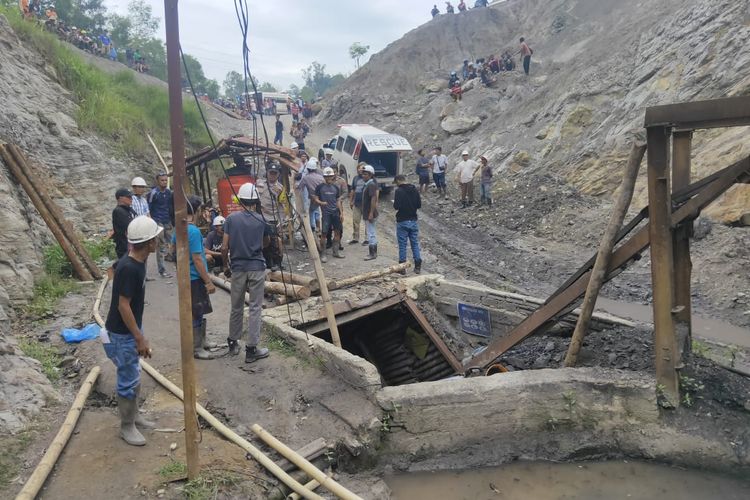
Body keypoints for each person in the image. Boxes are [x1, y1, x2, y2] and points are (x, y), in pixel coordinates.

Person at [103, 216, 161, 446]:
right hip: (121, 334)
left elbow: (112, 269)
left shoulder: (134, 262)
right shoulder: (130, 268)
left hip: (127, 330)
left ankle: (134, 416)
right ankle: (126, 427)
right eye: (155, 238)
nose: (158, 240)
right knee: (128, 379)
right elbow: (122, 305)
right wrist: (139, 337)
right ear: (149, 243)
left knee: (134, 373)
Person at [222, 183, 271, 363]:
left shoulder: (230, 219)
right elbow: (266, 243)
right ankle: (251, 349)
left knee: (236, 306)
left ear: (240, 200)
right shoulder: (261, 220)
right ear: (256, 200)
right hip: (256, 267)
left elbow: (224, 246)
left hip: (237, 268)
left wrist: (226, 266)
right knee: (255, 308)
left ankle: (233, 342)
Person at [172, 196, 217, 360]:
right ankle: (197, 347)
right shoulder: (194, 231)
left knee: (197, 311)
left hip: (185, 277)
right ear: (197, 210)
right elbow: (197, 259)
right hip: (195, 278)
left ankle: (202, 342)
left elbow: (172, 251)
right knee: (196, 313)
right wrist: (208, 281)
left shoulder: (178, 229)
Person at [255, 164, 285, 271]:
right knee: (263, 241)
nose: (272, 175)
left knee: (274, 241)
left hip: (272, 217)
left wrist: (281, 221)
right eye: (270, 172)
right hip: (260, 217)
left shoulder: (280, 188)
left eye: (274, 173)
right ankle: (267, 262)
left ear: (278, 174)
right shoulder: (259, 184)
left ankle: (277, 262)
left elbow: (282, 206)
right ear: (267, 172)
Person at [312, 167, 345, 262]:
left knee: (338, 232)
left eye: (330, 176)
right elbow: (315, 198)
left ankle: (336, 252)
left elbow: (338, 200)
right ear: (324, 177)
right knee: (324, 233)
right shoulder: (320, 187)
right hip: (326, 213)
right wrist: (321, 203)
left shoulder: (336, 187)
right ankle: (323, 254)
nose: (329, 178)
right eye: (327, 176)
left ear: (333, 176)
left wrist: (341, 213)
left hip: (336, 213)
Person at [393, 175, 422, 274]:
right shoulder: (415, 189)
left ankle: (402, 268)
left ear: (398, 181)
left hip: (402, 221)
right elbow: (419, 205)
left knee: (402, 245)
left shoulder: (398, 191)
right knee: (414, 244)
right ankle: (417, 266)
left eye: (396, 183)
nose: (396, 185)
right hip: (413, 220)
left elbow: (396, 206)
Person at [148, 173, 174, 277]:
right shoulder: (154, 193)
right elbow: (148, 208)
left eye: (165, 180)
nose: (164, 182)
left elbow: (170, 206)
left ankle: (170, 261)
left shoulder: (168, 193)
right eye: (162, 180)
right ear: (158, 181)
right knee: (161, 245)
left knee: (172, 242)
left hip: (167, 221)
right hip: (157, 221)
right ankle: (162, 270)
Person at [298, 158, 324, 235]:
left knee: (311, 211)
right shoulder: (320, 177)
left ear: (308, 169)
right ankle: (319, 229)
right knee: (318, 212)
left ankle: (312, 228)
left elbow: (300, 187)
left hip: (313, 198)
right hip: (322, 197)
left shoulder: (306, 178)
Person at [361, 164, 379, 260]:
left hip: (369, 213)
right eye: (363, 174)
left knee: (371, 233)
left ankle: (372, 253)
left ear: (371, 175)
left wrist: (371, 213)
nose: (363, 175)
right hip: (368, 212)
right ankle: (373, 253)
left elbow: (373, 199)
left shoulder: (371, 185)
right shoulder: (369, 184)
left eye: (366, 174)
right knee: (371, 232)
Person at [112, 188, 136, 260]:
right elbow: (129, 227)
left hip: (130, 246)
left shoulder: (127, 210)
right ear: (120, 198)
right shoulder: (119, 211)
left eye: (131, 197)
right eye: (128, 197)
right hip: (125, 248)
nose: (131, 199)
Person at [348, 162, 366, 245]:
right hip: (357, 203)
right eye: (359, 168)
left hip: (366, 204)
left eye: (362, 168)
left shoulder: (368, 178)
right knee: (355, 221)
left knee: (367, 222)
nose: (360, 169)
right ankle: (355, 238)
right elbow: (352, 190)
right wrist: (351, 201)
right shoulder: (355, 178)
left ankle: (367, 239)